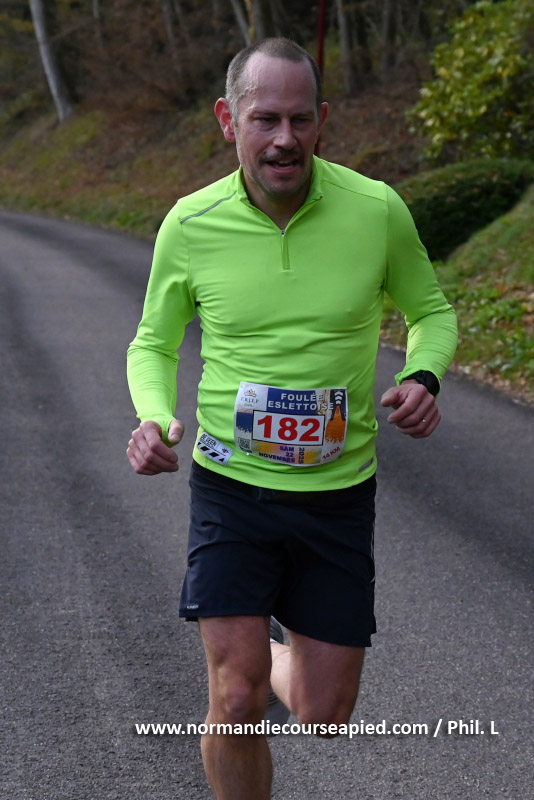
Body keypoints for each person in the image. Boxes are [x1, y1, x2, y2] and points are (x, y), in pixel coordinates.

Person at [126, 37, 457, 800]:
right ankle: (246, 662)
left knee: (323, 713)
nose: (284, 139)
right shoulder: (191, 222)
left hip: (337, 496)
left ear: (322, 121)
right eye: (264, 119)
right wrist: (153, 416)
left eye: (300, 120)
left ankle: (267, 652)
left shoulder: (376, 210)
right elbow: (153, 341)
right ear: (227, 120)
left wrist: (423, 375)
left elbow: (431, 313)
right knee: (237, 698)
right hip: (230, 488)